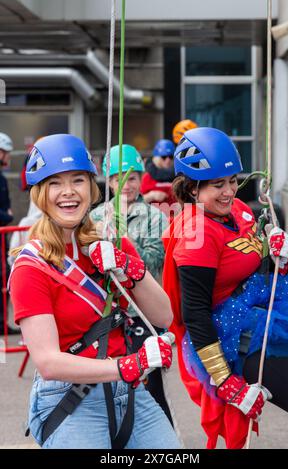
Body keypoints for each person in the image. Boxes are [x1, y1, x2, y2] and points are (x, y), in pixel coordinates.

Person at [9, 134, 180, 450]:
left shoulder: (112, 245)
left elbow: (164, 316)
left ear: (92, 187)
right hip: (68, 396)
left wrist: (131, 268)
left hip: (128, 392)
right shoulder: (30, 266)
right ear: (39, 195)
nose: (69, 192)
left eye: (78, 180)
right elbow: (48, 362)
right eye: (55, 183)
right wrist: (130, 365)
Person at [162, 127, 288, 449]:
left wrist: (280, 251)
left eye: (233, 181)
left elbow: (263, 267)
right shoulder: (196, 235)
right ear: (193, 189)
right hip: (229, 340)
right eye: (217, 184)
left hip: (262, 312)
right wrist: (226, 383)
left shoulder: (236, 210)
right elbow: (194, 314)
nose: (229, 191)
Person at [90, 144, 173, 424]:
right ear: (109, 182)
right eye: (117, 178)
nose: (125, 185)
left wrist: (121, 243)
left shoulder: (155, 217)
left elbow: (154, 261)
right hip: (105, 318)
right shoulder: (94, 218)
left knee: (150, 391)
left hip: (142, 317)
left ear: (141, 179)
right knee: (109, 391)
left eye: (132, 177)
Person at [0, 132, 19, 335]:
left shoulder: (2, 178)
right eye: (6, 153)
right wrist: (6, 216)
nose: (8, 157)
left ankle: (2, 322)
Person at [140, 139, 177, 211]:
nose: (168, 160)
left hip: (176, 218)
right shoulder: (147, 177)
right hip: (155, 219)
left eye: (171, 157)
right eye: (164, 157)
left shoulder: (179, 175)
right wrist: (151, 195)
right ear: (156, 158)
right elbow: (136, 203)